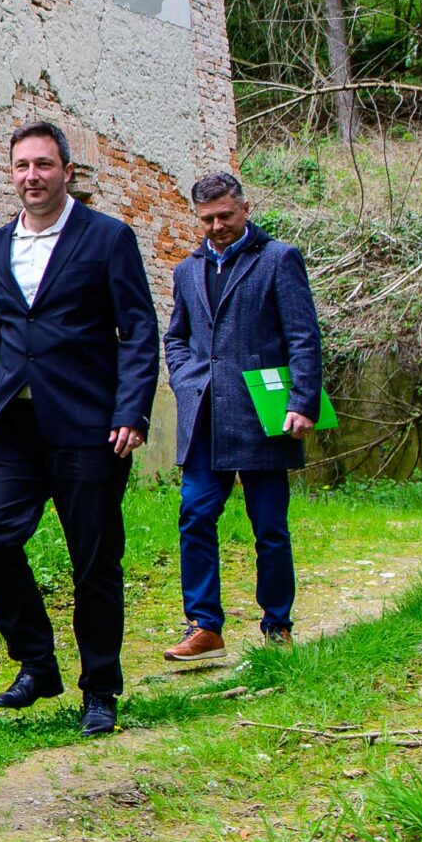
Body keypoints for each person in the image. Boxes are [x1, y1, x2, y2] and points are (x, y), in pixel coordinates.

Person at [0, 122, 159, 737]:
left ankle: (99, 687)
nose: (32, 176)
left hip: (88, 425)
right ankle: (37, 662)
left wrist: (132, 411)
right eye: (22, 165)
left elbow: (139, 331)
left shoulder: (107, 238)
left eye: (44, 165)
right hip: (13, 426)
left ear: (67, 171)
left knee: (94, 562)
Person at [161, 171, 324, 660]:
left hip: (262, 416)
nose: (216, 226)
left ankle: (277, 624)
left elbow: (303, 336)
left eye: (225, 216)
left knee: (269, 526)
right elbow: (176, 336)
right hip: (205, 417)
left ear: (244, 208)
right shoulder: (187, 270)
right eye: (207, 219)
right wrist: (185, 376)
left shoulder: (278, 259)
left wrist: (301, 403)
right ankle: (204, 626)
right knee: (195, 517)